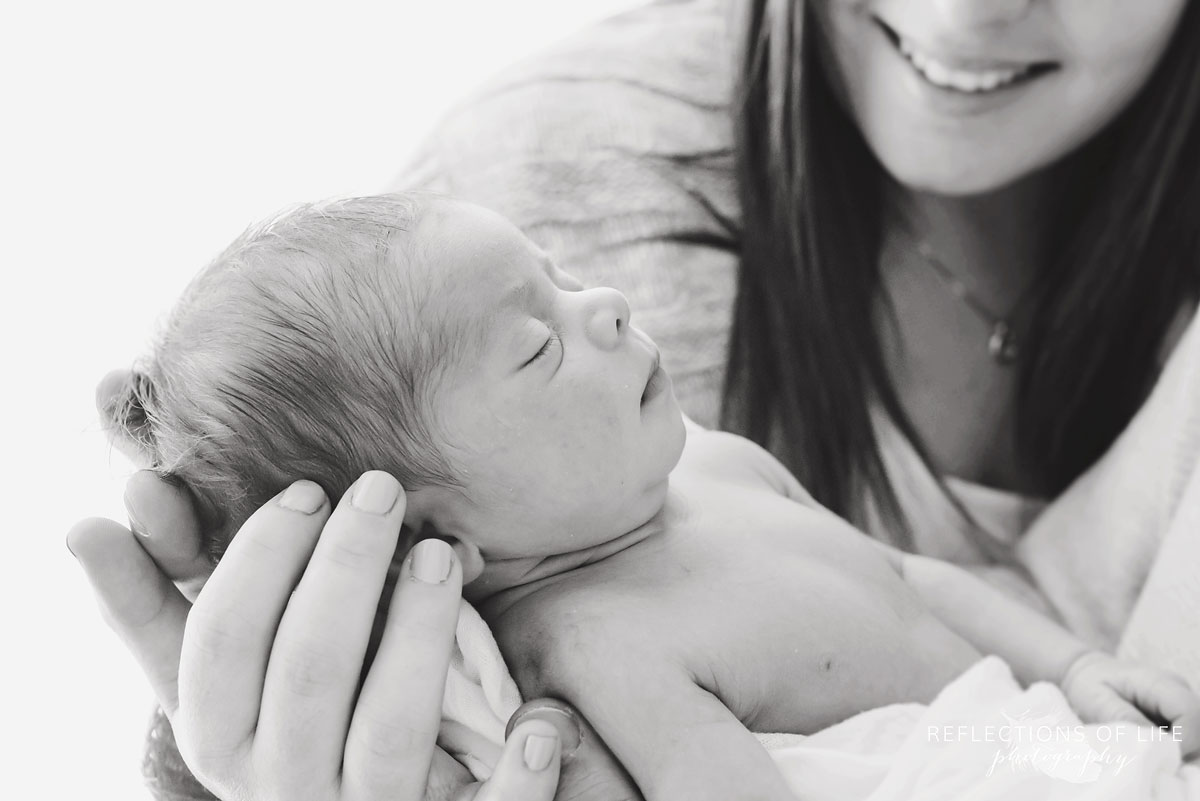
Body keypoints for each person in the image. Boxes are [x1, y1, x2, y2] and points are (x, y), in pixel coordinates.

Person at [69, 0, 1200, 798]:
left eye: (563, 276)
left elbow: (911, 582)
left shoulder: (710, 465)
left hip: (1031, 730)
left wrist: (1074, 669)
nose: (604, 305)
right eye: (538, 350)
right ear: (434, 545)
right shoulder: (596, 643)